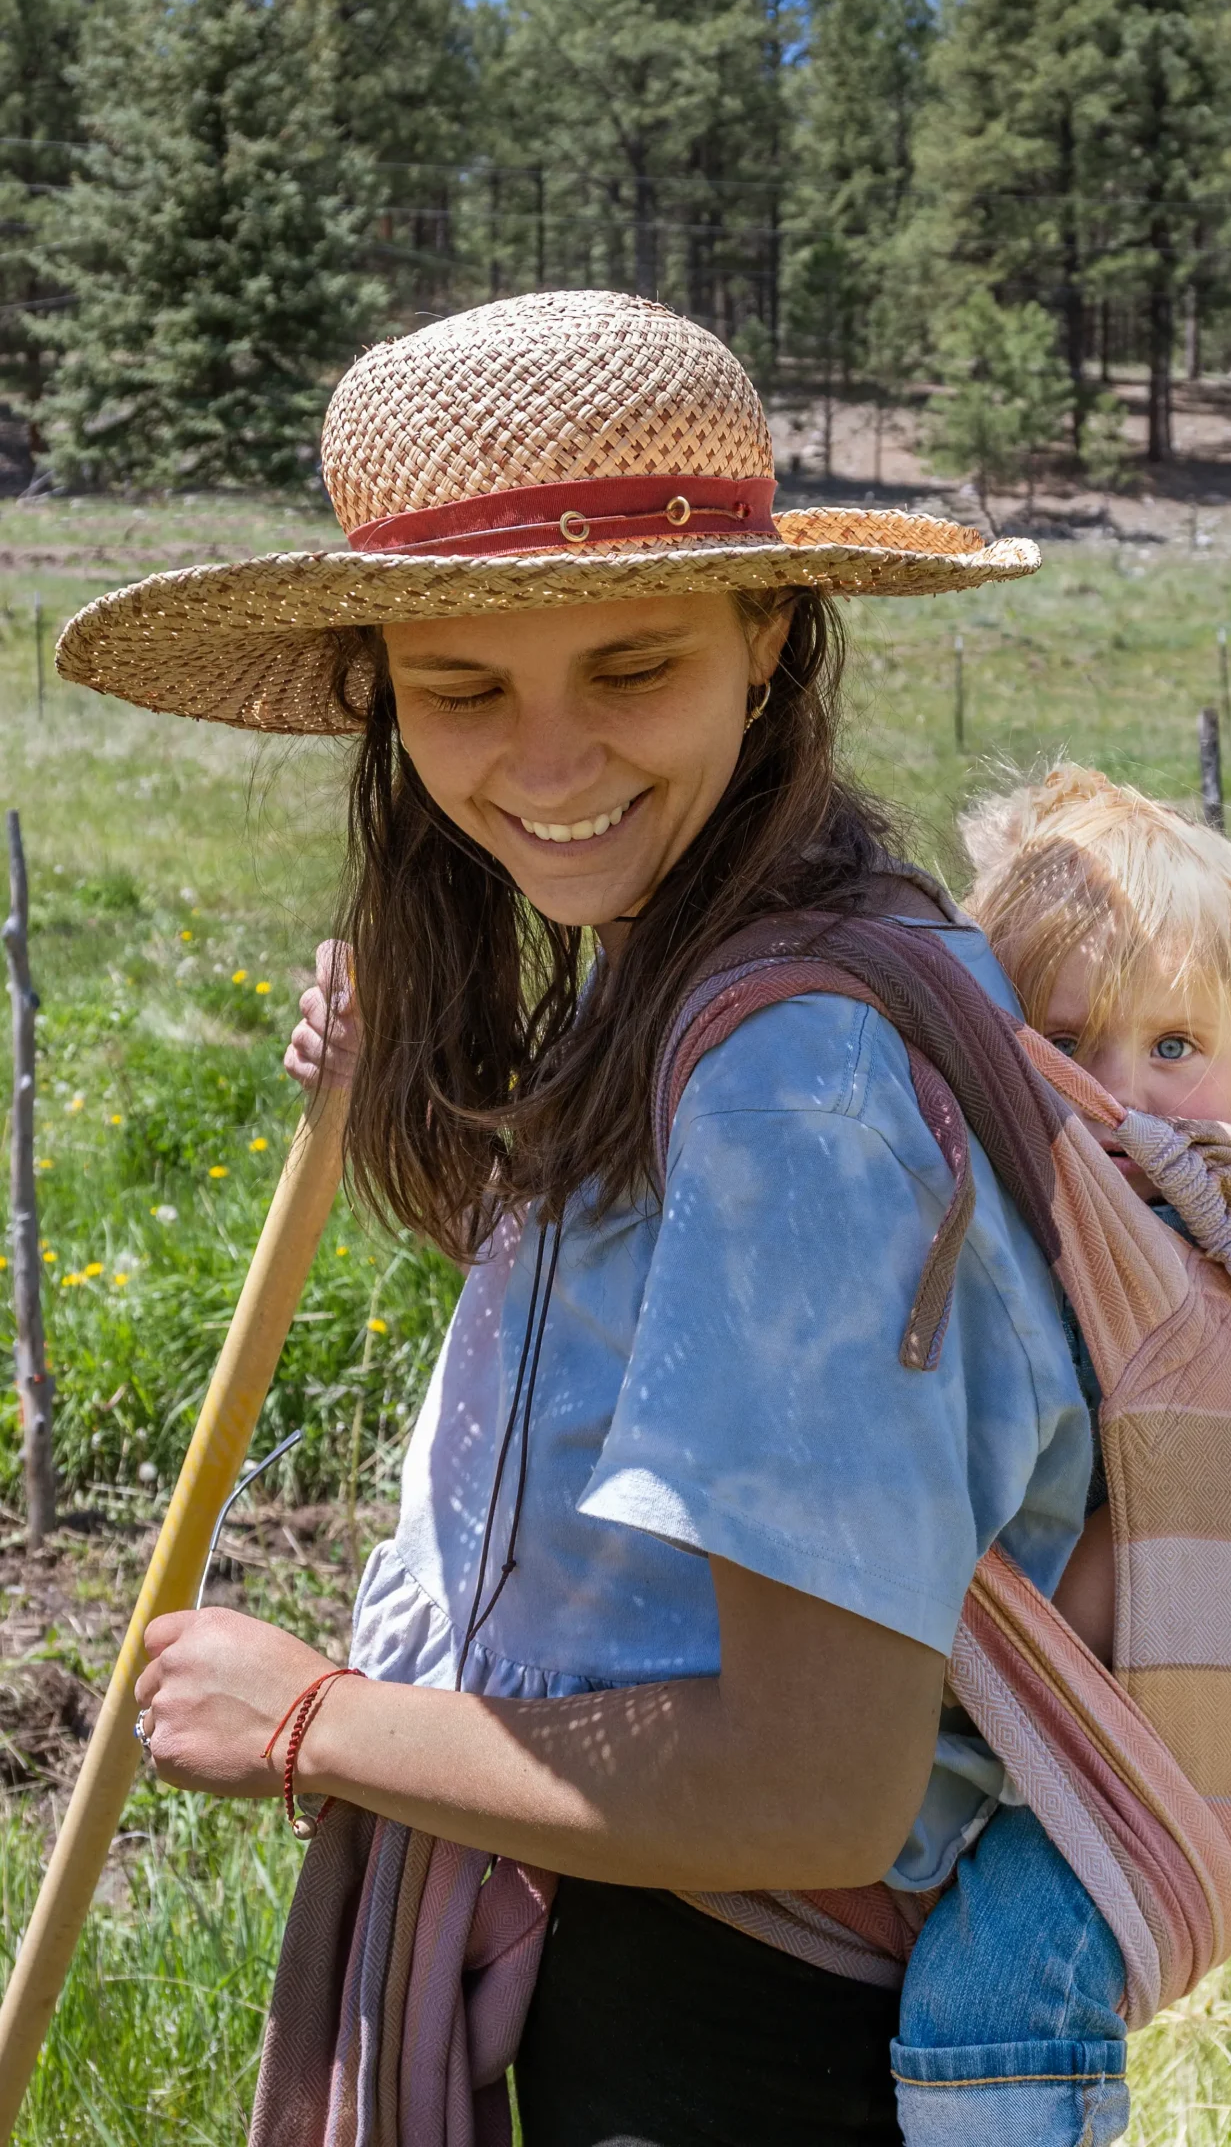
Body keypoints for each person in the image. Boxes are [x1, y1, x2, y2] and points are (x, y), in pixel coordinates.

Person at [59, 289, 1127, 2147]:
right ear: (379, 692)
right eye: (461, 692)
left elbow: (814, 1786)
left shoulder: (793, 1080)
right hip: (665, 1969)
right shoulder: (735, 973)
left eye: (632, 671)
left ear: (770, 636)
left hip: (728, 2027)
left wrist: (313, 1723)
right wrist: (484, 1133)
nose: (546, 770)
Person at [885, 763, 1231, 2138]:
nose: (1127, 1095)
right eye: (1074, 1044)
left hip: (1191, 1779)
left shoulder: (1208, 1232)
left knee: (991, 2000)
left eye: (1178, 1048)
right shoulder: (1127, 1226)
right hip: (1131, 1745)